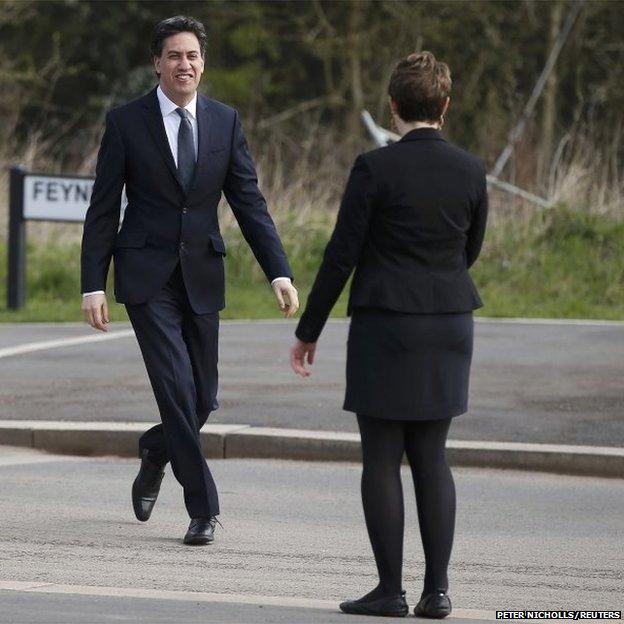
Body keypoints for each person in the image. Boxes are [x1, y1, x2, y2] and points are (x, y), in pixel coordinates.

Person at [81, 15, 298, 546]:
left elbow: (249, 201)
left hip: (201, 272)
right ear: (156, 63)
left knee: (203, 398)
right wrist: (93, 283)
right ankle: (203, 507)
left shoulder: (225, 122)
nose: (185, 64)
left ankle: (156, 451)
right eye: (175, 55)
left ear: (204, 63)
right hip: (145, 276)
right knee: (175, 387)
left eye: (193, 56)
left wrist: (279, 270)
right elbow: (104, 209)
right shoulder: (127, 122)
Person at [291, 51, 487, 618]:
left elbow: (340, 256)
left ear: (393, 106)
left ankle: (389, 591)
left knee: (381, 457)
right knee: (433, 455)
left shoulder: (374, 168)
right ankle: (438, 590)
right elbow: (468, 249)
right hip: (450, 322)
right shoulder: (471, 170)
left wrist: (310, 330)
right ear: (445, 107)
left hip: (386, 324)